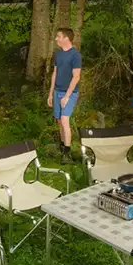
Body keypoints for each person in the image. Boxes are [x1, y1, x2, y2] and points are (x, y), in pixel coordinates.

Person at [47, 27, 82, 164]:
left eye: (58, 36)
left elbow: (76, 77)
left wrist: (67, 96)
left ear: (66, 38)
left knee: (65, 119)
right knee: (60, 121)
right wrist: (51, 94)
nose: (56, 39)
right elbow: (54, 74)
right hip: (57, 91)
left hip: (70, 93)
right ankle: (63, 147)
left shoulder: (75, 55)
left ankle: (67, 154)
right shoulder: (58, 54)